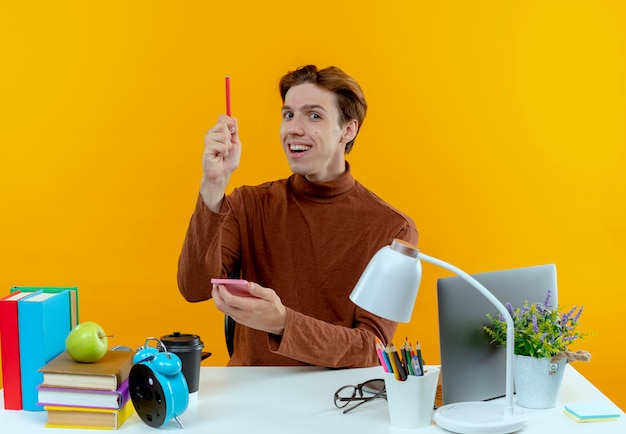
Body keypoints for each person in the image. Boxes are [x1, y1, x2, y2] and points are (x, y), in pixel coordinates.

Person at [177, 65, 418, 367]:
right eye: (288, 114)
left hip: (338, 401)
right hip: (250, 396)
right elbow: (193, 287)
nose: (293, 129)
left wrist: (283, 323)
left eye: (314, 115)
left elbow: (372, 349)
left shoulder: (393, 229)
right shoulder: (249, 204)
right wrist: (213, 186)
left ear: (348, 129)